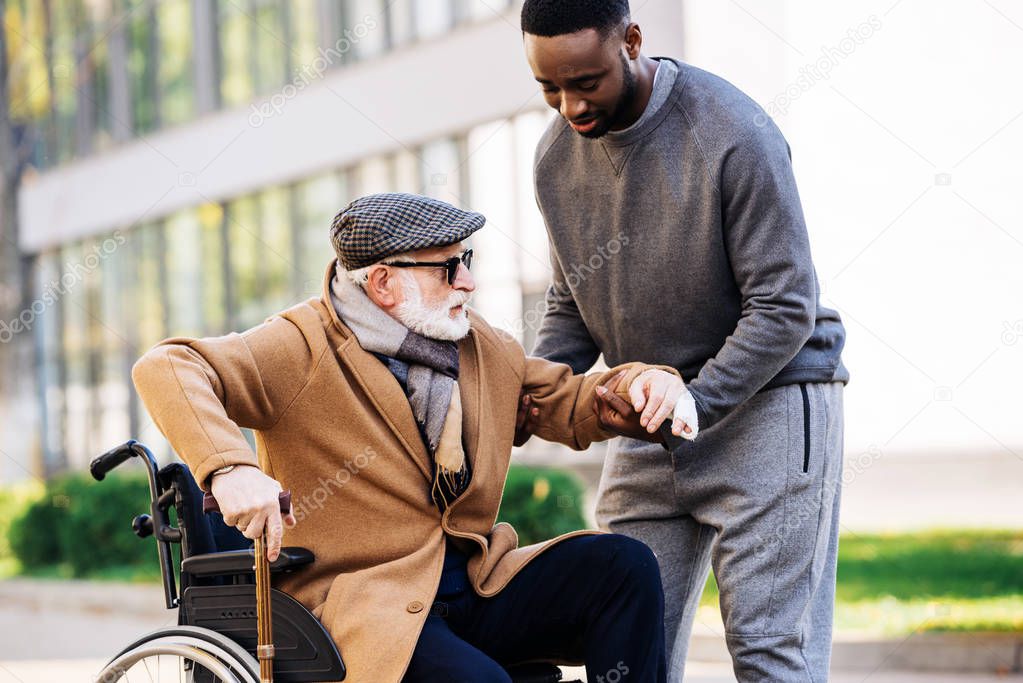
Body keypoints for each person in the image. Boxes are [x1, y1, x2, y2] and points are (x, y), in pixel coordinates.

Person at [132, 192, 688, 683]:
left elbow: (570, 399)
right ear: (382, 282)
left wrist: (643, 382)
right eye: (447, 268)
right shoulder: (299, 347)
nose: (467, 281)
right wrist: (231, 468)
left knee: (623, 567)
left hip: (474, 580)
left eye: (466, 261)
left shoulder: (480, 347)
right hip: (361, 603)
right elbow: (168, 367)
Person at [516, 1, 850, 681]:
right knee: (620, 641)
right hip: (648, 414)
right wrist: (520, 395)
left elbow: (783, 305)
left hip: (768, 402)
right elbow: (571, 309)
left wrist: (692, 400)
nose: (568, 105)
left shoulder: (731, 131)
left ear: (632, 41)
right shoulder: (555, 158)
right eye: (549, 87)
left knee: (766, 650)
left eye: (585, 81)